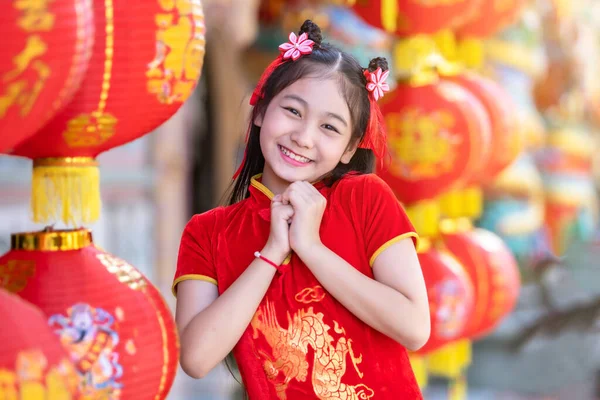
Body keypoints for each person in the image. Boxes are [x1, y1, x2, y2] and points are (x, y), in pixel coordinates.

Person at [173, 19, 430, 400]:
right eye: (293, 111)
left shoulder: (365, 198)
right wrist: (273, 253)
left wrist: (311, 247)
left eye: (329, 127)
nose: (304, 137)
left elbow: (413, 326)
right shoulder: (208, 233)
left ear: (348, 148)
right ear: (260, 109)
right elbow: (196, 358)